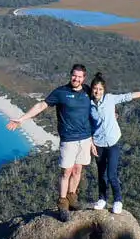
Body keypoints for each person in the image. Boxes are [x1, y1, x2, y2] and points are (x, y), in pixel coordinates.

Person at [7, 64, 93, 222]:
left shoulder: (88, 91)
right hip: (69, 139)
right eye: (74, 76)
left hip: (85, 138)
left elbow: (100, 105)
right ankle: (62, 203)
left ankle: (72, 198)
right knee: (66, 172)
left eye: (80, 77)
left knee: (78, 170)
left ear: (84, 78)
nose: (76, 79)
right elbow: (41, 105)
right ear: (70, 75)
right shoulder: (61, 92)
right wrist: (22, 119)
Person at [89, 72, 140, 214]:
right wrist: (91, 142)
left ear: (104, 90)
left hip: (112, 142)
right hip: (98, 143)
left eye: (100, 89)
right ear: (91, 89)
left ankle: (118, 200)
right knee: (101, 174)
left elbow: (129, 96)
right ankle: (102, 199)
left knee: (112, 174)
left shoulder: (110, 99)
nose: (97, 91)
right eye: (95, 88)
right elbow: (86, 124)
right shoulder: (88, 105)